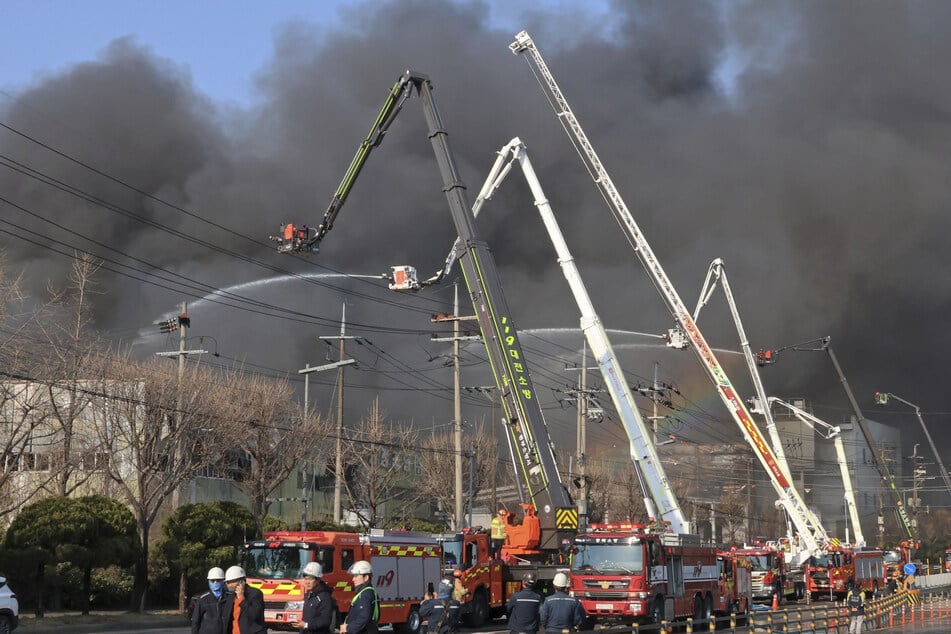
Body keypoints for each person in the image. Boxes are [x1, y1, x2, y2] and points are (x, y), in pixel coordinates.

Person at [291, 562, 336, 634]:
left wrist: (306, 625)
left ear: (318, 579)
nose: (307, 582)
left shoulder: (325, 597)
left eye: (311, 579)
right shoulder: (309, 594)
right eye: (306, 579)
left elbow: (325, 621)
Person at [224, 565, 267, 634]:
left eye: (231, 582)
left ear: (241, 581)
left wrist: (241, 598)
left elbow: (254, 615)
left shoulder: (255, 594)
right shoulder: (230, 596)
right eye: (227, 582)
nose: (228, 584)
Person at [341, 560, 379, 634]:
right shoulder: (368, 592)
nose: (353, 579)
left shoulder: (365, 595)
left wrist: (348, 628)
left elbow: (364, 617)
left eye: (356, 576)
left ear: (366, 577)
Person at [192, 567, 232, 634]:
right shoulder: (203, 599)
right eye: (213, 580)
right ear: (209, 581)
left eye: (218, 580)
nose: (215, 582)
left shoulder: (230, 597)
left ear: (223, 581)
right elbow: (196, 621)